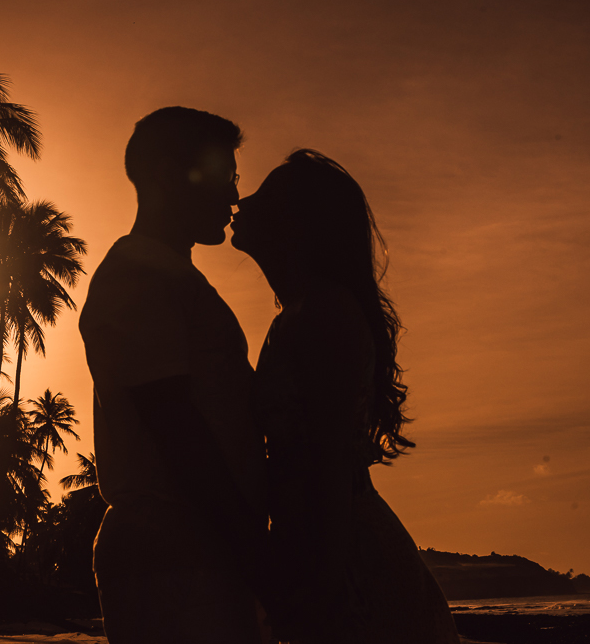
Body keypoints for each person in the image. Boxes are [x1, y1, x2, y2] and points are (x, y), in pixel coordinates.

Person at [230, 149, 459, 644]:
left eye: (264, 197)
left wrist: (327, 587)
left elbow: (331, 462)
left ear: (298, 226)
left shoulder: (325, 314)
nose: (241, 202)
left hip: (346, 558)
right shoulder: (300, 314)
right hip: (324, 546)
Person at [79, 106, 269, 644]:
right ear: (167, 175)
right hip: (178, 555)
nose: (233, 196)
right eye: (223, 176)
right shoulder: (138, 277)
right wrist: (251, 544)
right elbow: (174, 423)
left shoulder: (167, 275)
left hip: (197, 548)